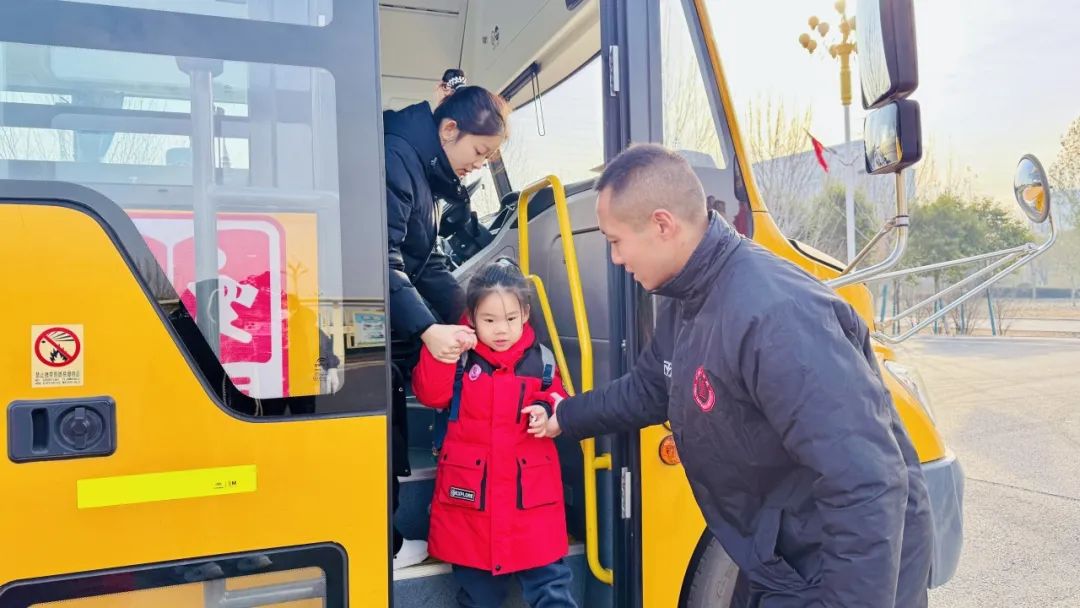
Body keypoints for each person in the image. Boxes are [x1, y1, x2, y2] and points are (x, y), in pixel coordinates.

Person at [531, 144, 933, 607]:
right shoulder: (687, 296)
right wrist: (566, 415)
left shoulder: (777, 317)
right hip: (778, 556)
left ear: (662, 225)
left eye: (616, 240)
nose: (615, 258)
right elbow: (651, 386)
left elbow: (865, 483)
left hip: (839, 571)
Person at [384, 71, 510, 569]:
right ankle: (384, 544)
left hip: (387, 309)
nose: (478, 164)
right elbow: (381, 254)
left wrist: (467, 312)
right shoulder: (398, 157)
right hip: (366, 315)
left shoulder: (421, 166)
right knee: (383, 425)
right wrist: (427, 328)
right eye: (479, 153)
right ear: (450, 130)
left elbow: (424, 261)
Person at [412, 259, 577, 608]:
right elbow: (430, 394)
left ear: (526, 313)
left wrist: (547, 409)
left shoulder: (542, 360)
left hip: (531, 506)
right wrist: (442, 352)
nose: (501, 330)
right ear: (471, 317)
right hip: (472, 505)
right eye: (489, 320)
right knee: (478, 595)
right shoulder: (460, 358)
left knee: (551, 589)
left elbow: (558, 396)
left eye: (510, 319)